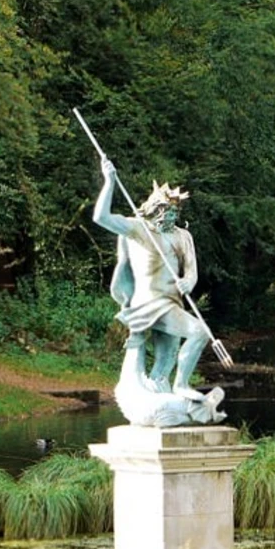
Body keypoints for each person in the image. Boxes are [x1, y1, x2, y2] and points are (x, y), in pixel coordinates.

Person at [93, 156, 211, 402]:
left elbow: (191, 270)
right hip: (149, 303)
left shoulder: (183, 236)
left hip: (173, 302)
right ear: (157, 209)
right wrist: (109, 182)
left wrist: (188, 282)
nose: (173, 215)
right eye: (169, 210)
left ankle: (162, 402)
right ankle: (182, 385)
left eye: (176, 211)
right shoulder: (138, 229)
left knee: (165, 362)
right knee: (199, 331)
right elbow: (101, 218)